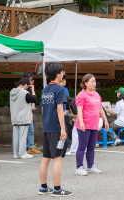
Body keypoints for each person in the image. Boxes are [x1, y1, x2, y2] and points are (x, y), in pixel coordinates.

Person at [39, 62, 73, 197]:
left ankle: (43, 187)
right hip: (57, 127)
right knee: (57, 158)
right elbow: (60, 110)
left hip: (47, 127)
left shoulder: (45, 89)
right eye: (63, 72)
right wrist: (63, 129)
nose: (63, 74)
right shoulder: (60, 90)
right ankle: (57, 189)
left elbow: (43, 110)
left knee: (45, 158)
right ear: (58, 74)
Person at [75, 74, 109, 176]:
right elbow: (79, 110)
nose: (94, 83)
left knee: (91, 147)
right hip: (84, 125)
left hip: (94, 125)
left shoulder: (97, 95)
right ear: (85, 83)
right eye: (92, 82)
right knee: (82, 146)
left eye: (95, 81)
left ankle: (90, 166)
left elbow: (100, 109)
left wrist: (105, 120)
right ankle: (79, 167)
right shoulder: (81, 95)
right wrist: (81, 122)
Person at [10, 78, 38, 159]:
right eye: (28, 85)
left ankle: (16, 153)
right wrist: (32, 90)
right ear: (25, 84)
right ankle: (22, 153)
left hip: (15, 118)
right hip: (23, 118)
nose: (27, 87)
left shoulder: (12, 92)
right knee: (23, 136)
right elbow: (34, 99)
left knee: (16, 136)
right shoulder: (24, 93)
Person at [23, 71, 41, 154]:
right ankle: (29, 146)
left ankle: (30, 146)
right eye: (30, 80)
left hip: (29, 113)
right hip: (23, 113)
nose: (31, 82)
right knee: (25, 130)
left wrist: (33, 89)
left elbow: (34, 101)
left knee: (30, 129)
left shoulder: (30, 89)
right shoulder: (22, 90)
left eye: (32, 80)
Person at [60, 75, 72, 144]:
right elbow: (68, 101)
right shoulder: (64, 89)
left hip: (57, 114)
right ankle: (66, 143)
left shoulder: (54, 89)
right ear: (64, 81)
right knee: (65, 128)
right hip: (65, 113)